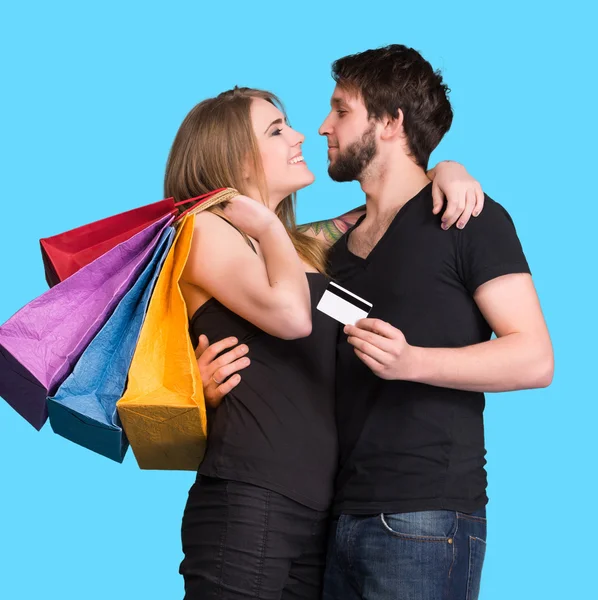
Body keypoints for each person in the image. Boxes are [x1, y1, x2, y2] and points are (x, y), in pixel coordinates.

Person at [197, 46, 554, 600]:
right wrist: (196, 385)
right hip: (331, 517)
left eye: (340, 110)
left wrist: (414, 361)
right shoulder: (326, 251)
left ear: (390, 123)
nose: (320, 128)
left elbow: (535, 357)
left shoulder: (466, 219)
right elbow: (241, 308)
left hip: (424, 515)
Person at [165, 86, 483, 600]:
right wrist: (267, 223)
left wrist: (448, 169)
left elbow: (392, 210)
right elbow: (291, 317)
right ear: (231, 153)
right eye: (275, 130)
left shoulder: (299, 250)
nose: (300, 135)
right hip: (248, 496)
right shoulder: (204, 229)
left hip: (317, 512)